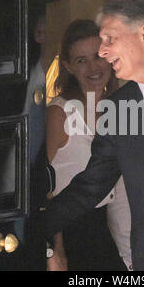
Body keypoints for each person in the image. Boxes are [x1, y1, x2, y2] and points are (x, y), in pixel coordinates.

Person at [45, 0, 144, 271]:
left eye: (110, 39)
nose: (102, 52)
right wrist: (34, 226)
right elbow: (90, 186)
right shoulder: (119, 106)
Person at [46, 19, 132, 271]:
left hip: (109, 233)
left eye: (98, 56)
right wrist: (54, 248)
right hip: (72, 232)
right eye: (81, 60)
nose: (93, 67)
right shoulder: (59, 114)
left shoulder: (118, 108)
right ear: (68, 66)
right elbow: (42, 185)